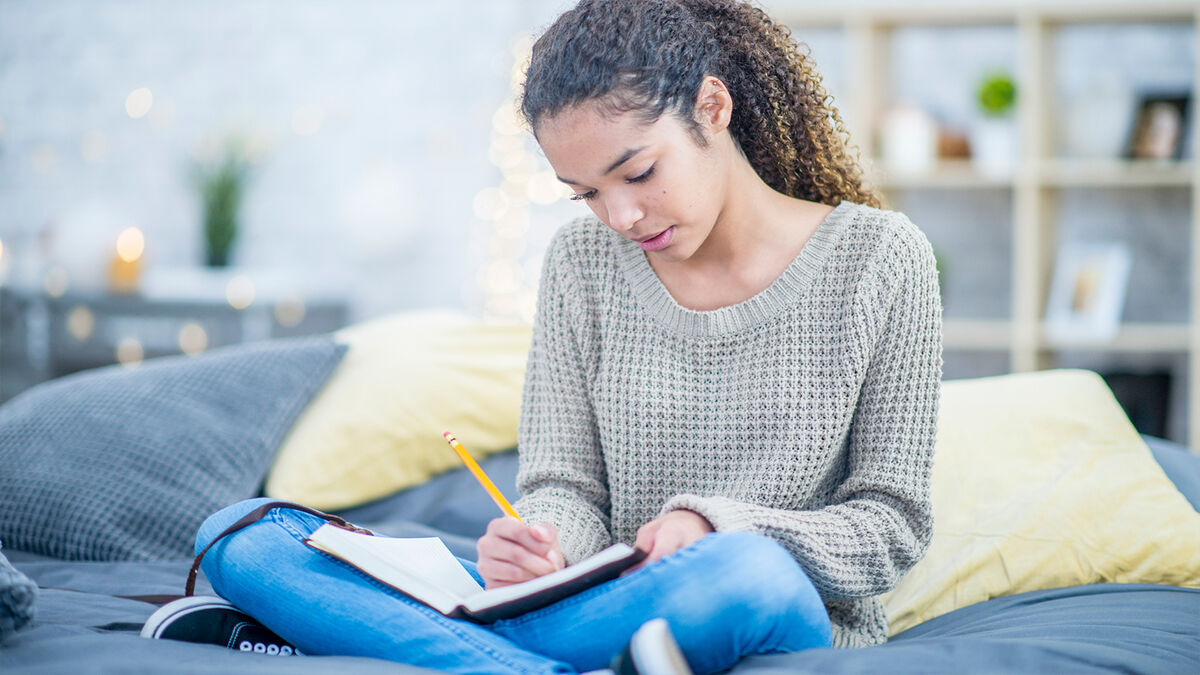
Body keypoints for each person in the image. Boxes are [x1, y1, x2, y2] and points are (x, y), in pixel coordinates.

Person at [142, 0, 942, 673]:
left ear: (713, 107)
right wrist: (547, 545)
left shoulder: (883, 260)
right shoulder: (582, 264)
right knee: (248, 534)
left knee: (747, 571)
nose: (620, 218)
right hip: (598, 607)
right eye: (584, 193)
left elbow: (892, 524)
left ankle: (384, 643)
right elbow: (562, 483)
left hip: (749, 603)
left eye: (637, 174)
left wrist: (716, 525)